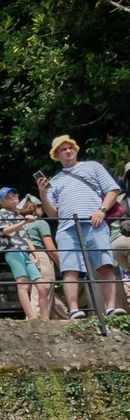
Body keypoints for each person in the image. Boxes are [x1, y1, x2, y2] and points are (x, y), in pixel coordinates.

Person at [38, 136, 126, 320]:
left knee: (105, 264)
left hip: (95, 222)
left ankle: (111, 307)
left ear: (76, 150)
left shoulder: (93, 167)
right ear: (57, 155)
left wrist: (102, 210)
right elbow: (53, 214)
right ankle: (74, 310)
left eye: (71, 148)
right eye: (64, 149)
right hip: (66, 226)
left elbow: (113, 189)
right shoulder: (55, 181)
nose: (69, 151)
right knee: (70, 269)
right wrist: (43, 194)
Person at [0, 187, 54, 320]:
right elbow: (6, 230)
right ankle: (31, 317)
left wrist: (35, 253)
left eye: (14, 195)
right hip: (13, 250)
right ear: (2, 203)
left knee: (43, 286)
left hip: (25, 252)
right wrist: (24, 222)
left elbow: (27, 237)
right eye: (9, 198)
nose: (13, 198)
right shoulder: (3, 213)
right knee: (23, 283)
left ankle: (45, 318)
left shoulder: (19, 215)